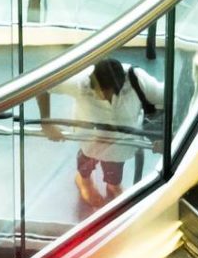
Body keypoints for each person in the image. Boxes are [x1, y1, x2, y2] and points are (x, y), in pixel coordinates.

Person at [37, 58, 164, 207]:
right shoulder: (80, 82)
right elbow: (42, 86)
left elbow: (166, 98)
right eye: (98, 91)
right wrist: (46, 123)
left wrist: (164, 136)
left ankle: (113, 185)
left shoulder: (137, 79)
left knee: (115, 167)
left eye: (107, 93)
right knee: (85, 160)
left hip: (121, 141)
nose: (102, 96)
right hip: (90, 138)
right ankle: (84, 180)